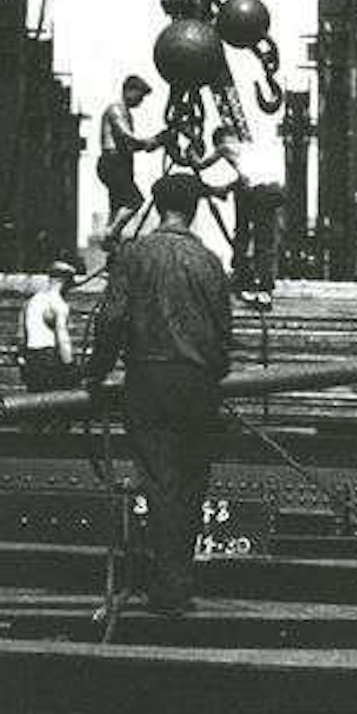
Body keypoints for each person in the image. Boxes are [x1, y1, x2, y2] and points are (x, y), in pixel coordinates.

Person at [85, 171, 233, 616]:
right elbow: (224, 333)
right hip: (198, 384)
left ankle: (167, 588)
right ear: (197, 208)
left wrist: (95, 373)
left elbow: (111, 320)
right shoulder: (209, 261)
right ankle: (179, 583)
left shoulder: (135, 256)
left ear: (157, 202)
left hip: (148, 380)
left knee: (160, 482)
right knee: (190, 484)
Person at [197, 125, 286, 302]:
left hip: (258, 193)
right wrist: (221, 190)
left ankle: (248, 278)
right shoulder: (250, 150)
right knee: (265, 239)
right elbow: (242, 179)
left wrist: (191, 156)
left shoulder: (225, 147)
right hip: (274, 191)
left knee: (246, 235)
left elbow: (202, 164)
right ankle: (265, 282)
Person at [98, 74, 166, 249]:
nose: (141, 101)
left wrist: (152, 143)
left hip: (121, 162)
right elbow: (125, 135)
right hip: (113, 162)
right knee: (135, 201)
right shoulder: (116, 110)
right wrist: (147, 141)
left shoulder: (126, 113)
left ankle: (112, 240)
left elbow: (130, 146)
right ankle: (110, 234)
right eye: (140, 96)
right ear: (129, 90)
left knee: (117, 206)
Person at [20, 257, 80, 394]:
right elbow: (63, 339)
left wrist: (22, 359)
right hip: (50, 360)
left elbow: (22, 335)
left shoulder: (33, 301)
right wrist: (70, 366)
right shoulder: (58, 304)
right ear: (65, 282)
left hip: (32, 359)